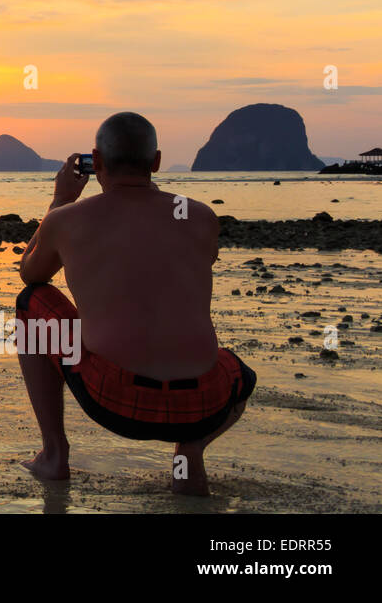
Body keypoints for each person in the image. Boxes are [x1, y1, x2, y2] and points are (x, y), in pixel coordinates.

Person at [15, 111, 256, 496]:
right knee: (240, 374)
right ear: (156, 161)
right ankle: (189, 454)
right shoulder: (200, 215)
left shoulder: (68, 219)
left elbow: (31, 275)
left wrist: (60, 200)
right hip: (202, 406)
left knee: (30, 304)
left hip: (116, 401)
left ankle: (54, 454)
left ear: (97, 162)